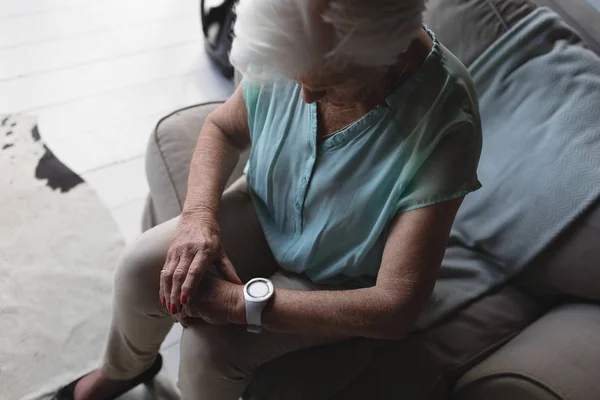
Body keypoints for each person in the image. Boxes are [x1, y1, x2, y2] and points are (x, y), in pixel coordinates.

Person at [62, 0, 482, 398]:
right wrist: (197, 218)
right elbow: (224, 129)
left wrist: (236, 304)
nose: (304, 98)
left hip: (342, 277)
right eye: (296, 77)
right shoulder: (289, 33)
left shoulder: (446, 122)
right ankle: (124, 370)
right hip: (263, 204)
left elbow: (395, 308)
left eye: (327, 85)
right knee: (140, 267)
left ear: (388, 50)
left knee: (210, 350)